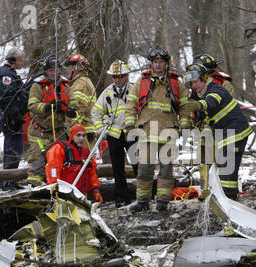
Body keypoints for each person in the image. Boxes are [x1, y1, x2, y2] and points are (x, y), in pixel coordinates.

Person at [124, 46, 195, 212]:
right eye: (155, 62)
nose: (158, 65)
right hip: (146, 131)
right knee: (144, 169)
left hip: (168, 131)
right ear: (151, 63)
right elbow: (131, 104)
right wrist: (129, 124)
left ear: (166, 63)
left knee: (166, 169)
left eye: (161, 62)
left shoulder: (176, 83)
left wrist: (184, 124)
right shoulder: (142, 82)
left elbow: (185, 107)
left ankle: (163, 201)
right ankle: (142, 201)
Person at [184, 63, 252, 200]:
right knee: (226, 168)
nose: (194, 86)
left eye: (195, 82)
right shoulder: (202, 94)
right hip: (227, 133)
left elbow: (211, 103)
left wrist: (197, 105)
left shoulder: (215, 89)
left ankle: (228, 200)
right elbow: (210, 120)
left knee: (227, 169)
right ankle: (228, 199)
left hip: (235, 132)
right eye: (191, 84)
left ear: (204, 78)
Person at [26, 53, 78, 187]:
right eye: (50, 70)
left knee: (60, 163)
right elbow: (32, 105)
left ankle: (59, 190)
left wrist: (69, 110)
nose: (54, 72)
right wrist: (47, 107)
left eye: (56, 69)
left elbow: (73, 103)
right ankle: (34, 189)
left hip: (59, 132)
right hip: (40, 133)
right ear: (46, 71)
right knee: (37, 166)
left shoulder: (66, 86)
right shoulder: (38, 86)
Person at [92, 59, 138, 208]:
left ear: (127, 76)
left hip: (132, 133)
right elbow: (96, 112)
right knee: (118, 168)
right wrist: (101, 129)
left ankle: (143, 196)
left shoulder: (134, 90)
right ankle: (122, 197)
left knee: (139, 166)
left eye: (121, 76)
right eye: (115, 76)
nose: (117, 80)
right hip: (114, 135)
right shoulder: (107, 93)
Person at [190, 54, 235, 200]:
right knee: (202, 159)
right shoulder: (196, 85)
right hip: (202, 127)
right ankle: (205, 189)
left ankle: (221, 191)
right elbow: (193, 105)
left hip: (219, 127)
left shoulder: (223, 84)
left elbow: (228, 106)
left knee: (221, 159)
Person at [0, 47, 28, 190]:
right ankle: (7, 181)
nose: (22, 63)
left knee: (15, 149)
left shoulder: (11, 74)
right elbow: (7, 97)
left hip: (13, 116)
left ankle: (10, 180)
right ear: (13, 59)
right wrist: (15, 114)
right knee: (13, 149)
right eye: (20, 60)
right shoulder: (6, 75)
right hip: (10, 117)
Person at [45, 124, 103, 204]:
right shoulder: (60, 148)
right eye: (78, 135)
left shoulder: (86, 153)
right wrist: (55, 189)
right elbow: (53, 170)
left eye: (83, 135)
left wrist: (95, 190)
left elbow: (92, 174)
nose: (81, 138)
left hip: (81, 196)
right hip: (64, 196)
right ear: (72, 136)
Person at [64, 54, 97, 148]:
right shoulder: (84, 81)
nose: (67, 70)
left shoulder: (80, 84)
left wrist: (73, 131)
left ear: (76, 68)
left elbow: (78, 109)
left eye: (69, 67)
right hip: (86, 131)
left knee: (81, 161)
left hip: (81, 133)